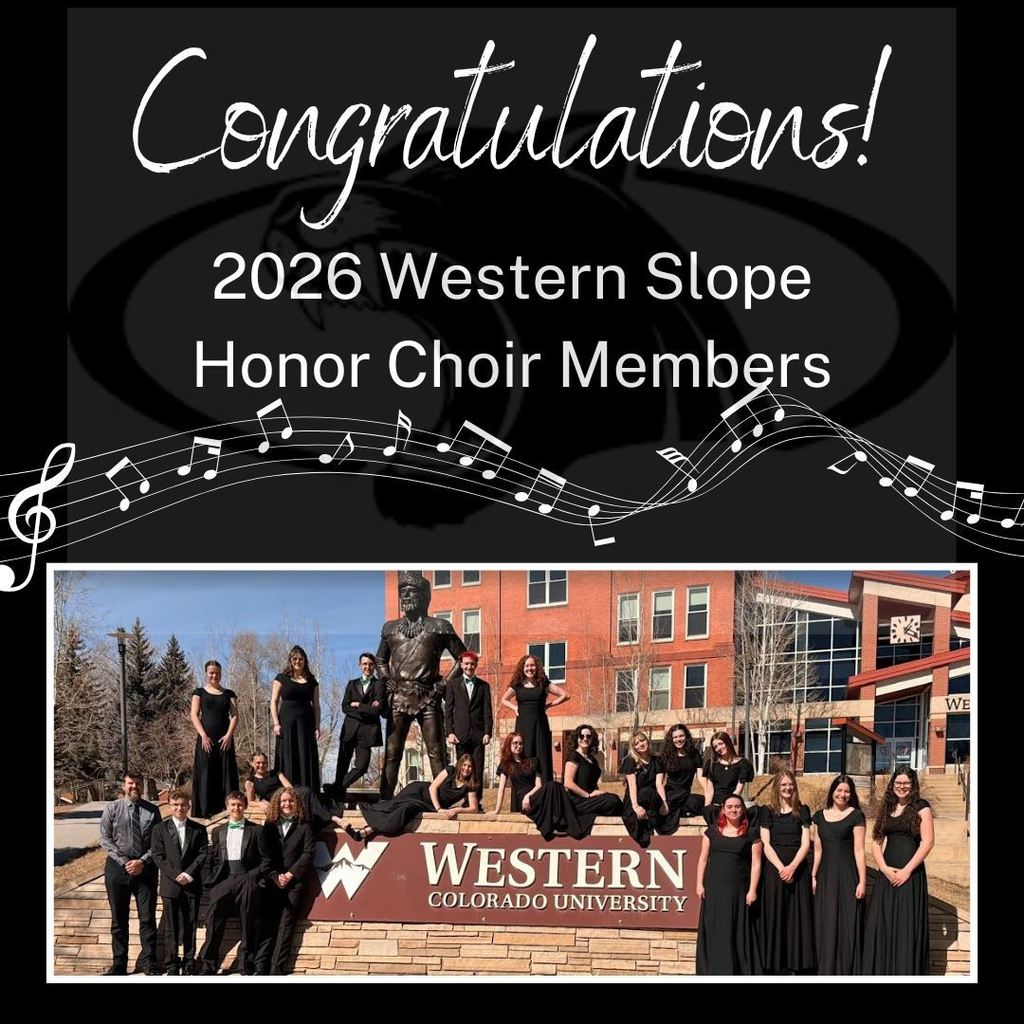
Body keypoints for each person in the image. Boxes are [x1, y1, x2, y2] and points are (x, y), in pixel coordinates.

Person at [377, 571, 467, 799]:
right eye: (402, 592)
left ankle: (443, 798)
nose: (405, 596)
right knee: (392, 753)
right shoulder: (390, 628)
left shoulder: (440, 626)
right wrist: (387, 680)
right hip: (399, 697)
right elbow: (380, 659)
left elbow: (462, 657)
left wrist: (443, 684)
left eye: (411, 591)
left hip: (428, 696)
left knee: (437, 752)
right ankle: (385, 799)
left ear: (425, 597)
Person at [863, 768, 935, 975]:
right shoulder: (887, 808)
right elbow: (876, 842)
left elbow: (928, 842)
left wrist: (906, 871)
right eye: (898, 783)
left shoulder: (922, 807)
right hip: (887, 875)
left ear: (912, 785)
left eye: (906, 783)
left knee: (905, 926)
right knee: (880, 924)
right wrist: (884, 869)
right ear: (892, 785)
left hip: (910, 876)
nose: (901, 787)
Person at [198, 791, 270, 976]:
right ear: (227, 807)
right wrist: (215, 883)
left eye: (239, 804)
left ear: (245, 806)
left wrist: (252, 878)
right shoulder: (218, 831)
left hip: (247, 879)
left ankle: (245, 964)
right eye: (233, 805)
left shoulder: (257, 830)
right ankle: (208, 965)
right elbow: (214, 859)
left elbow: (266, 860)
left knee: (248, 923)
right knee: (213, 922)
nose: (236, 808)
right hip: (224, 880)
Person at [99, 770, 161, 975]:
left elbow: (158, 841)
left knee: (147, 918)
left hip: (146, 870)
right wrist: (125, 861)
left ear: (141, 785)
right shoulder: (113, 808)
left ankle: (149, 962)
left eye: (137, 783)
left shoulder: (152, 810)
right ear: (124, 786)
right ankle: (119, 964)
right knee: (119, 919)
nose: (134, 787)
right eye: (130, 784)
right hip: (118, 869)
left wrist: (142, 861)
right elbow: (105, 839)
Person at [695, 795, 763, 975]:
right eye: (730, 807)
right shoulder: (712, 832)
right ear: (723, 809)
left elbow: (756, 864)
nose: (734, 810)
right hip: (714, 891)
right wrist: (699, 884)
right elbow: (702, 859)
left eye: (738, 807)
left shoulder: (751, 834)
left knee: (737, 931)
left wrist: (752, 890)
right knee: (716, 930)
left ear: (743, 810)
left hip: (739, 891)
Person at [757, 770, 815, 975]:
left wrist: (792, 867)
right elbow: (765, 843)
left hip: (798, 870)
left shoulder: (803, 810)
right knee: (776, 914)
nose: (787, 788)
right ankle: (775, 964)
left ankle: (796, 964)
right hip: (774, 870)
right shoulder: (767, 811)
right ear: (776, 788)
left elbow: (806, 842)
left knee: (797, 916)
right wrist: (781, 868)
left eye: (790, 784)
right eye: (783, 785)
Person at [348, 755, 480, 841]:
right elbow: (432, 787)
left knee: (404, 810)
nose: (466, 769)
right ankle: (368, 825)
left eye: (469, 766)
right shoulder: (450, 770)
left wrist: (457, 810)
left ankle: (368, 830)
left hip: (427, 805)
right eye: (464, 765)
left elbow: (473, 808)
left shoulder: (470, 784)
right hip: (420, 791)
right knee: (392, 806)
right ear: (460, 765)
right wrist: (439, 808)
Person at [256, 788, 316, 975]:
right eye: (283, 801)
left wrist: (290, 874)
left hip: (294, 883)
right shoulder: (269, 825)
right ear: (277, 803)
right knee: (268, 922)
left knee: (286, 925)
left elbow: (308, 853)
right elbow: (264, 853)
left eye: (290, 801)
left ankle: (277, 970)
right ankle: (260, 967)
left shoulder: (305, 826)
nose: (287, 804)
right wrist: (275, 875)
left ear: (296, 802)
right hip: (272, 881)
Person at [811, 774, 867, 975]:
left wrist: (862, 881)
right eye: (839, 790)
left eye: (847, 791)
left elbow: (859, 851)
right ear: (832, 791)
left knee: (846, 920)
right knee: (825, 921)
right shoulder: (818, 816)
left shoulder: (856, 816)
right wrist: (813, 876)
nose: (842, 794)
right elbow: (817, 850)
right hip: (825, 874)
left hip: (847, 875)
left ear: (851, 794)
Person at [150, 789, 208, 976]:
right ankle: (172, 965)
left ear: (188, 806)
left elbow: (203, 854)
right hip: (170, 885)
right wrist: (176, 875)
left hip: (191, 885)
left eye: (183, 804)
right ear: (169, 806)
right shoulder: (159, 829)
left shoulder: (199, 829)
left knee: (190, 925)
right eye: (175, 805)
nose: (179, 808)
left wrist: (188, 874)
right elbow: (158, 856)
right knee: (171, 928)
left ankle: (189, 962)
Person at [493, 732, 583, 841]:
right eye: (515, 743)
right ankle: (553, 826)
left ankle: (563, 824)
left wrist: (529, 795)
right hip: (523, 800)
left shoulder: (532, 761)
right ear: (509, 744)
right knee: (551, 785)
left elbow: (539, 785)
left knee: (555, 785)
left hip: (534, 794)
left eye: (521, 743)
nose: (518, 746)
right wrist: (496, 811)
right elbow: (501, 789)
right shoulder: (506, 764)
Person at [500, 654, 568, 783]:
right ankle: (525, 785)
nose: (530, 668)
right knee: (524, 753)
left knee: (541, 755)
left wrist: (548, 705)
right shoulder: (517, 685)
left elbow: (565, 695)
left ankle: (543, 788)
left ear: (537, 668)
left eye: (532, 665)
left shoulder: (544, 684)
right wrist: (514, 708)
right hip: (523, 726)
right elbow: (504, 699)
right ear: (522, 668)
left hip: (540, 726)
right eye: (527, 666)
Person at [245, 751, 347, 833]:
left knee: (306, 791)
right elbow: (250, 801)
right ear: (252, 763)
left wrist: (289, 794)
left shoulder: (275, 772)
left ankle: (318, 823)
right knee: (306, 793)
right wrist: (260, 804)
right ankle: (334, 819)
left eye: (264, 762)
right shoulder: (250, 781)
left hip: (288, 794)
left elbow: (289, 786)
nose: (261, 765)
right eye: (258, 763)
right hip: (277, 801)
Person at [189, 660, 239, 818]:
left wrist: (229, 735)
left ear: (220, 673)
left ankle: (228, 809)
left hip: (225, 740)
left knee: (226, 774)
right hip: (206, 740)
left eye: (217, 673)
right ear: (206, 673)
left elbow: (235, 716)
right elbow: (194, 715)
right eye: (211, 672)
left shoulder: (229, 694)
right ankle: (204, 811)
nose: (214, 675)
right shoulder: (199, 693)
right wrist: (203, 735)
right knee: (205, 772)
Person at [334, 652, 386, 799]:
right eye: (364, 664)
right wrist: (367, 708)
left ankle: (336, 788)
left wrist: (358, 705)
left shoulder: (379, 685)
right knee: (341, 766)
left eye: (370, 664)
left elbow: (378, 710)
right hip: (349, 730)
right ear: (360, 665)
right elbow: (345, 707)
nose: (367, 667)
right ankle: (338, 796)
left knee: (362, 766)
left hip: (367, 733)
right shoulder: (352, 684)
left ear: (374, 666)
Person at [444, 650, 493, 806]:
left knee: (477, 769)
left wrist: (487, 732)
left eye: (472, 664)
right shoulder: (452, 685)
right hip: (460, 735)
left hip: (478, 735)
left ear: (476, 665)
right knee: (462, 769)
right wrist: (450, 732)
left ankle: (476, 802)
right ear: (461, 665)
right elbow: (448, 711)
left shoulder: (484, 686)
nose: (469, 666)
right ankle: (463, 800)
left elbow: (487, 711)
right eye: (466, 664)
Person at [271, 645, 321, 792]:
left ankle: (307, 793)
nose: (298, 661)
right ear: (290, 660)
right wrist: (276, 723)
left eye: (301, 659)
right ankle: (287, 793)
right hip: (286, 724)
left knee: (306, 755)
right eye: (295, 659)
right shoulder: (281, 678)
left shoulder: (312, 681)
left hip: (306, 724)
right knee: (287, 755)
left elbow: (317, 706)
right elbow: (273, 702)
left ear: (305, 660)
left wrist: (317, 726)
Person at [562, 724, 623, 835]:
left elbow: (591, 786)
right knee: (612, 801)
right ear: (576, 738)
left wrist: (599, 793)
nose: (585, 739)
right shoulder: (574, 755)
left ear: (592, 739)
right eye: (581, 736)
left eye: (588, 736)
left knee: (613, 799)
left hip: (589, 799)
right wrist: (587, 795)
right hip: (577, 801)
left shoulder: (592, 760)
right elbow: (568, 783)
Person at [655, 722, 706, 834]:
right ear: (671, 739)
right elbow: (659, 783)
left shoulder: (694, 754)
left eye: (681, 736)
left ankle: (683, 810)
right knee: (661, 811)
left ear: (686, 737)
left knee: (697, 802)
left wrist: (708, 793)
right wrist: (664, 802)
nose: (678, 739)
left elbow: (701, 777)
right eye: (675, 737)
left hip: (686, 795)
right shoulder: (665, 756)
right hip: (670, 795)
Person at [620, 731, 667, 848]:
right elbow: (632, 785)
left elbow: (659, 784)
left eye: (642, 740)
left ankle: (651, 822)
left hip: (651, 798)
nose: (640, 744)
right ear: (633, 747)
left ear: (648, 741)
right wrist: (635, 806)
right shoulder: (630, 761)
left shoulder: (657, 760)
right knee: (634, 821)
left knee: (648, 791)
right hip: (634, 798)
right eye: (636, 743)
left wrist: (664, 803)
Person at [702, 731, 753, 825]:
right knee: (709, 811)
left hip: (732, 804)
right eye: (715, 746)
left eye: (721, 744)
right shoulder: (712, 765)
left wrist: (726, 807)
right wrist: (706, 807)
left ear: (727, 742)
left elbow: (738, 791)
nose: (718, 748)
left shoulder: (742, 764)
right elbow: (710, 790)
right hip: (715, 805)